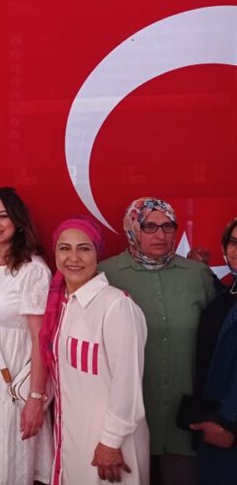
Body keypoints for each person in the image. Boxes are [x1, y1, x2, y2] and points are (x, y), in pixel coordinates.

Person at [98, 197, 216, 485]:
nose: (160, 235)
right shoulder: (106, 275)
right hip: (127, 422)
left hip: (184, 422)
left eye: (167, 226)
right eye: (149, 226)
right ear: (132, 229)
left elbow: (217, 341)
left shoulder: (196, 275)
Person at [40, 217, 149, 484]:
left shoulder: (116, 306)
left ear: (97, 254)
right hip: (72, 438)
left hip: (111, 445)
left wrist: (110, 442)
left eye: (84, 248)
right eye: (64, 248)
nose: (73, 258)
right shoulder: (62, 305)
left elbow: (127, 384)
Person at [0, 187, 53, 485]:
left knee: (12, 466)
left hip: (15, 385)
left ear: (17, 221)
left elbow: (41, 339)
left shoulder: (33, 270)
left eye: (2, 216)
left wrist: (35, 398)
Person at [188, 217, 237, 485]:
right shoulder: (230, 292)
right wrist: (203, 272)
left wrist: (228, 423)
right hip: (214, 424)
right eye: (234, 242)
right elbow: (225, 308)